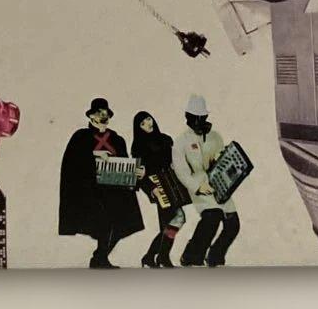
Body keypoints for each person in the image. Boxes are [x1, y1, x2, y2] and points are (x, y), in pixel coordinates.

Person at [58, 98, 144, 268]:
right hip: (91, 191)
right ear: (91, 116)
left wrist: (137, 174)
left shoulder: (117, 139)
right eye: (99, 113)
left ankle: (99, 257)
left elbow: (125, 164)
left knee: (122, 223)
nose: (103, 116)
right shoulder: (81, 136)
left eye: (106, 113)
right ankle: (100, 259)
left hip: (114, 189)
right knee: (104, 222)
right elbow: (72, 162)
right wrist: (95, 155)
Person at [173, 95, 241, 267]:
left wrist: (221, 158)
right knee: (212, 217)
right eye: (194, 118)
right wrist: (197, 187)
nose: (198, 122)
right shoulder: (181, 142)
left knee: (233, 224)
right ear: (188, 117)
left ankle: (215, 256)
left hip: (218, 182)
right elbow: (181, 171)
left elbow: (221, 159)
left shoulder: (215, 137)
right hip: (198, 183)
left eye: (201, 117)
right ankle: (191, 256)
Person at [130, 111, 185, 268]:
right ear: (138, 128)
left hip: (172, 183)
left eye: (148, 119)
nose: (148, 123)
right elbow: (139, 174)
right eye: (142, 123)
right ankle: (160, 256)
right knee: (175, 219)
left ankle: (152, 256)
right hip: (157, 186)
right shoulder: (138, 146)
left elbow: (175, 161)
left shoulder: (166, 139)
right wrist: (151, 189)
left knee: (172, 222)